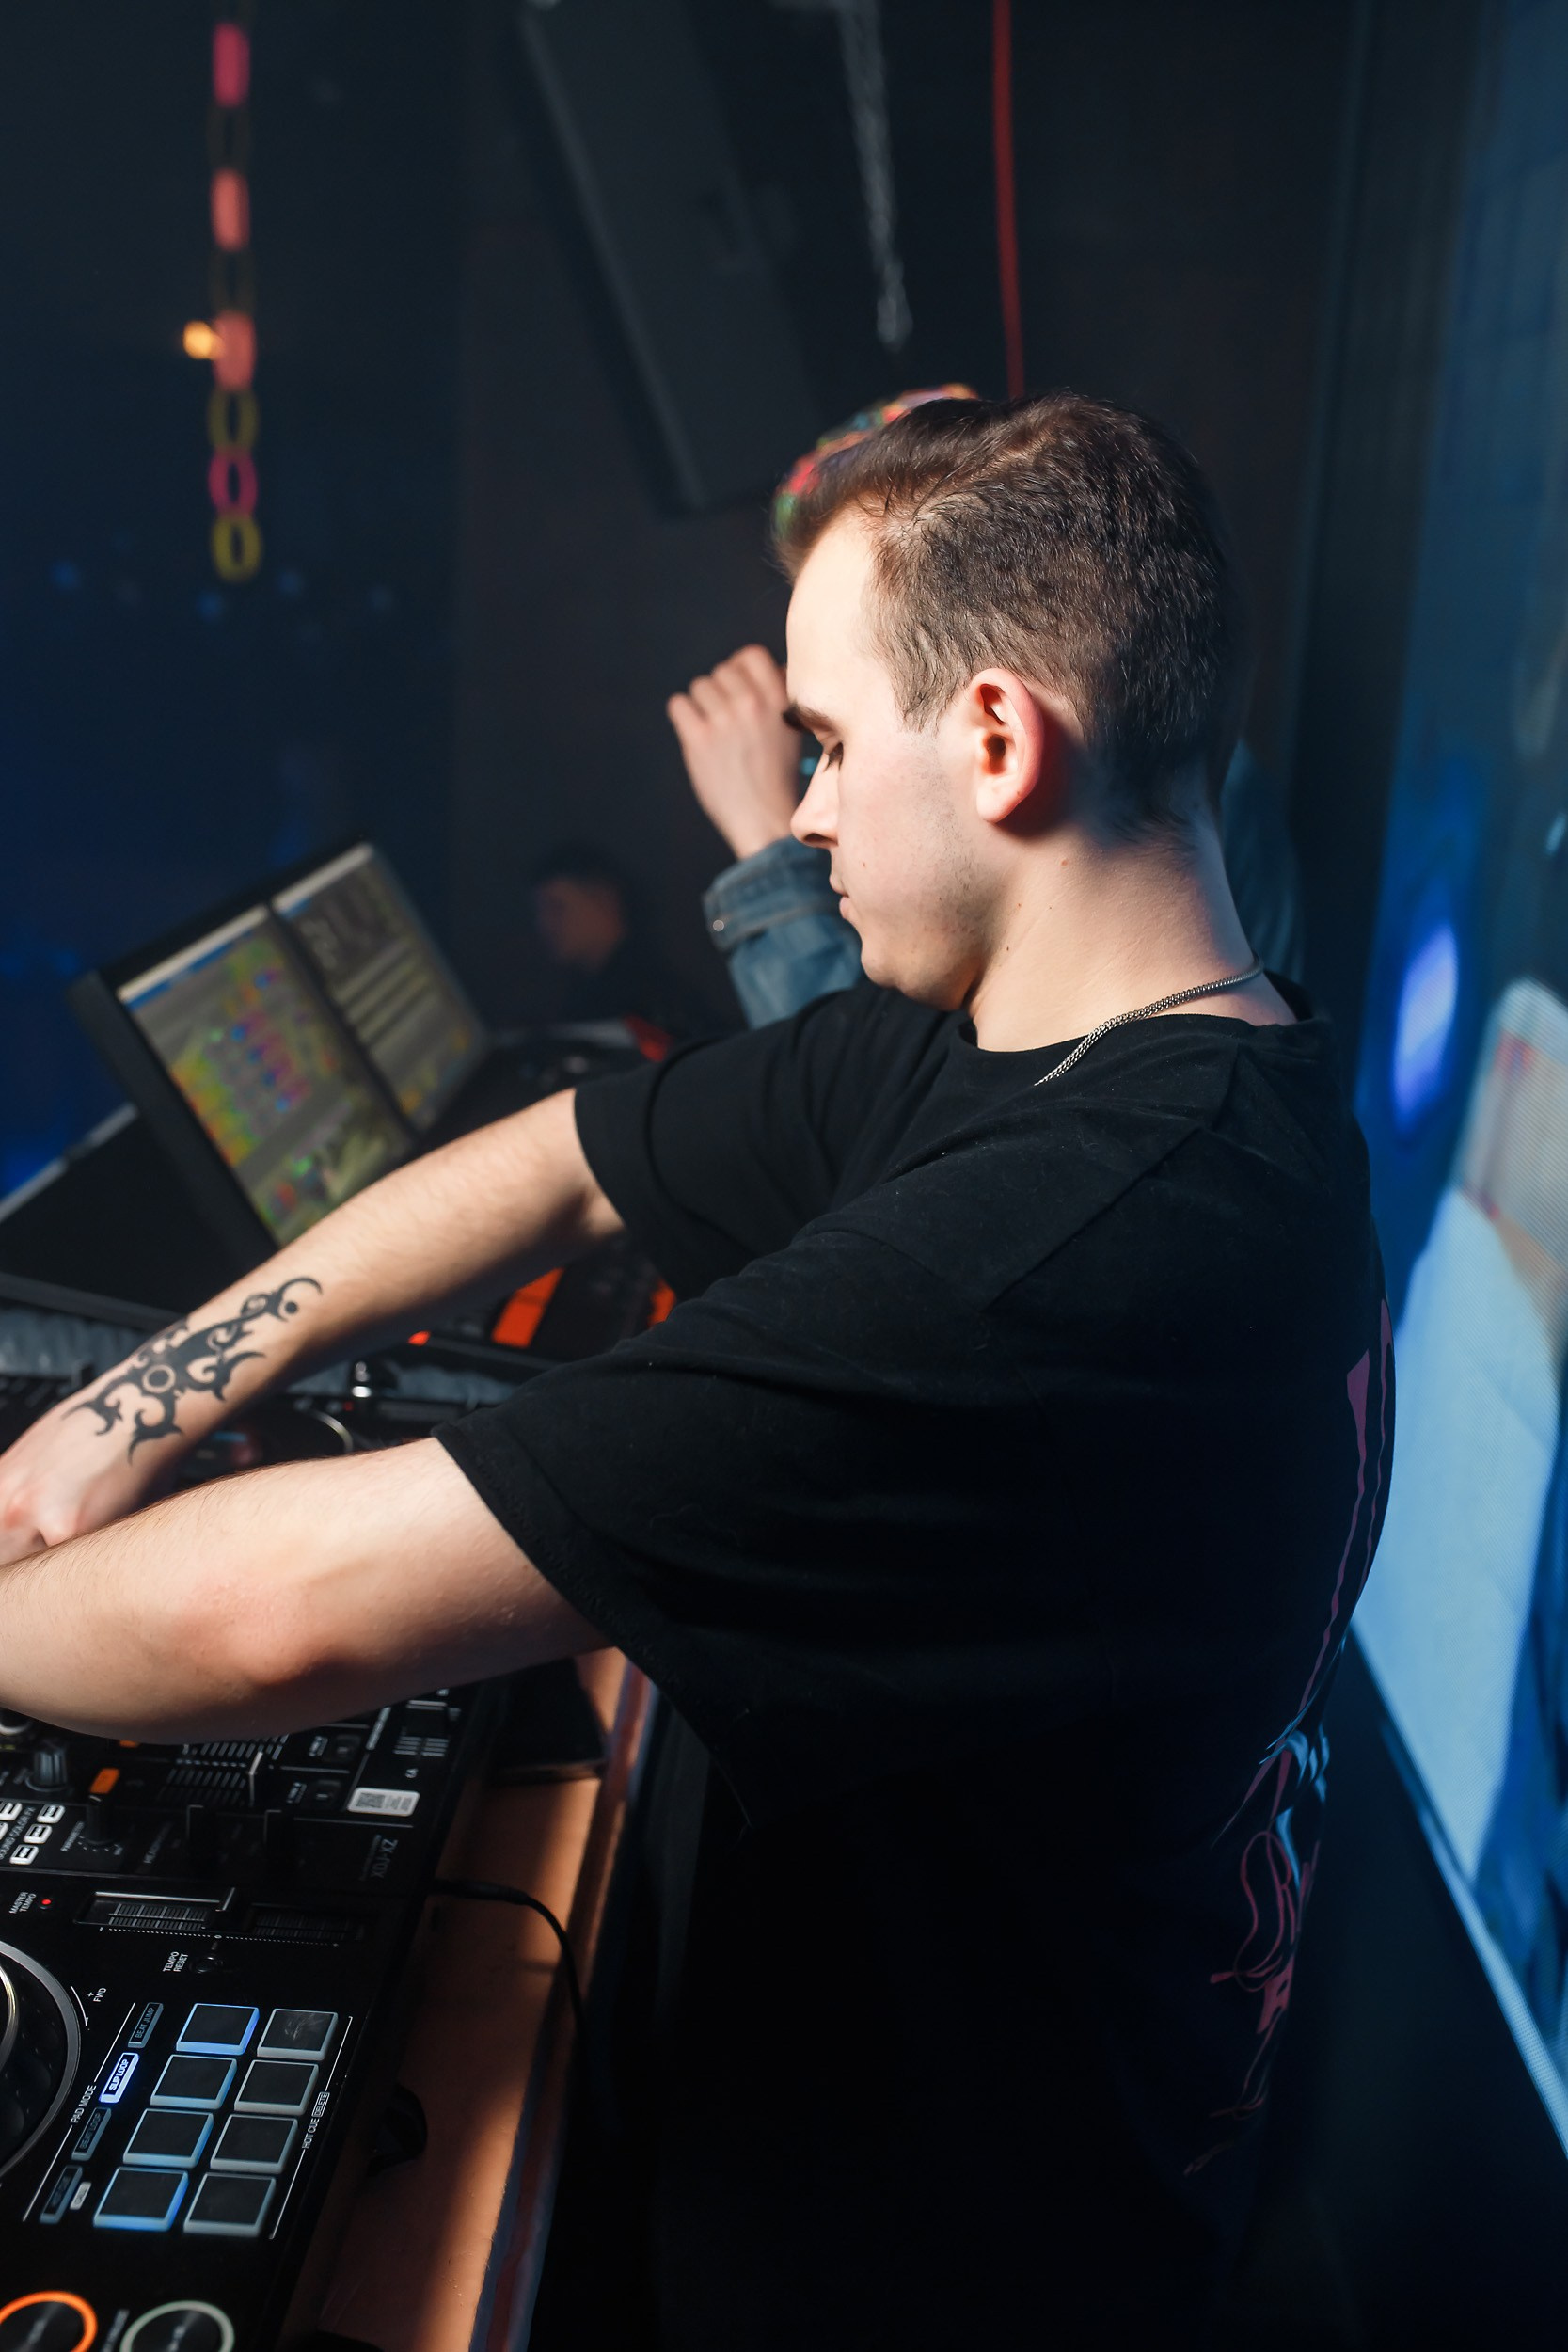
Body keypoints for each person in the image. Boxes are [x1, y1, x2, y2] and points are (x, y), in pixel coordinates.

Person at [0, 392, 1389, 2349]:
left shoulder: (1073, 1248)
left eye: (828, 743)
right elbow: (569, 1158)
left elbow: (281, 1615)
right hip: (956, 2115)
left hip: (947, 2266)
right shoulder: (1096, 1045)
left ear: (996, 740)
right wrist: (145, 1393)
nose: (799, 812)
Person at [671, 393, 1304, 1030]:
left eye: (839, 748)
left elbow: (883, 1086)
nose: (809, 818)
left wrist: (765, 849)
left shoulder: (1159, 777)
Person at [531, 839, 711, 1039]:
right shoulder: (585, 994)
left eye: (556, 907)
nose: (544, 924)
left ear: (604, 899)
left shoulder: (649, 996)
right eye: (540, 912)